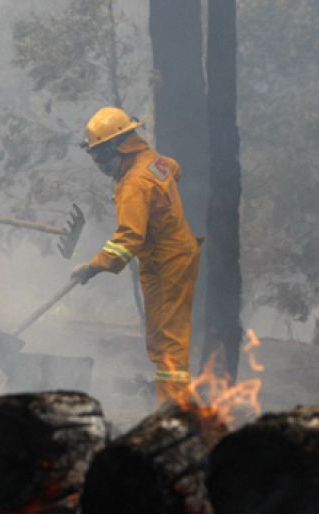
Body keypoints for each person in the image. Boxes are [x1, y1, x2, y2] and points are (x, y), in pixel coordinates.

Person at [71, 107, 201, 404]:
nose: (101, 165)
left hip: (171, 259)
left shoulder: (134, 183)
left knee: (171, 339)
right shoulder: (152, 161)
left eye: (102, 156)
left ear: (122, 147)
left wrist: (93, 267)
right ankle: (167, 401)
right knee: (158, 336)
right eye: (95, 158)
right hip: (158, 257)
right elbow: (174, 168)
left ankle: (175, 409)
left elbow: (129, 237)